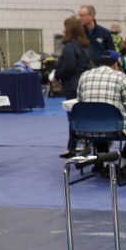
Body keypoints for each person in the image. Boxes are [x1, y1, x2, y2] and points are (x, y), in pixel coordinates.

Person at [76, 49, 126, 182]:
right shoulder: (120, 76)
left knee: (98, 121)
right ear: (116, 64)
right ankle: (122, 164)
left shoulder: (84, 75)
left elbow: (80, 100)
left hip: (87, 126)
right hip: (112, 126)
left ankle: (105, 164)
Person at [53, 17, 92, 157]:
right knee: (81, 116)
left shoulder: (70, 46)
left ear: (70, 29)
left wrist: (57, 75)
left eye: (64, 27)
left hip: (72, 85)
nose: (63, 30)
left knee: (73, 117)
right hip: (83, 84)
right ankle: (81, 144)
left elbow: (68, 66)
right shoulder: (84, 45)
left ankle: (72, 147)